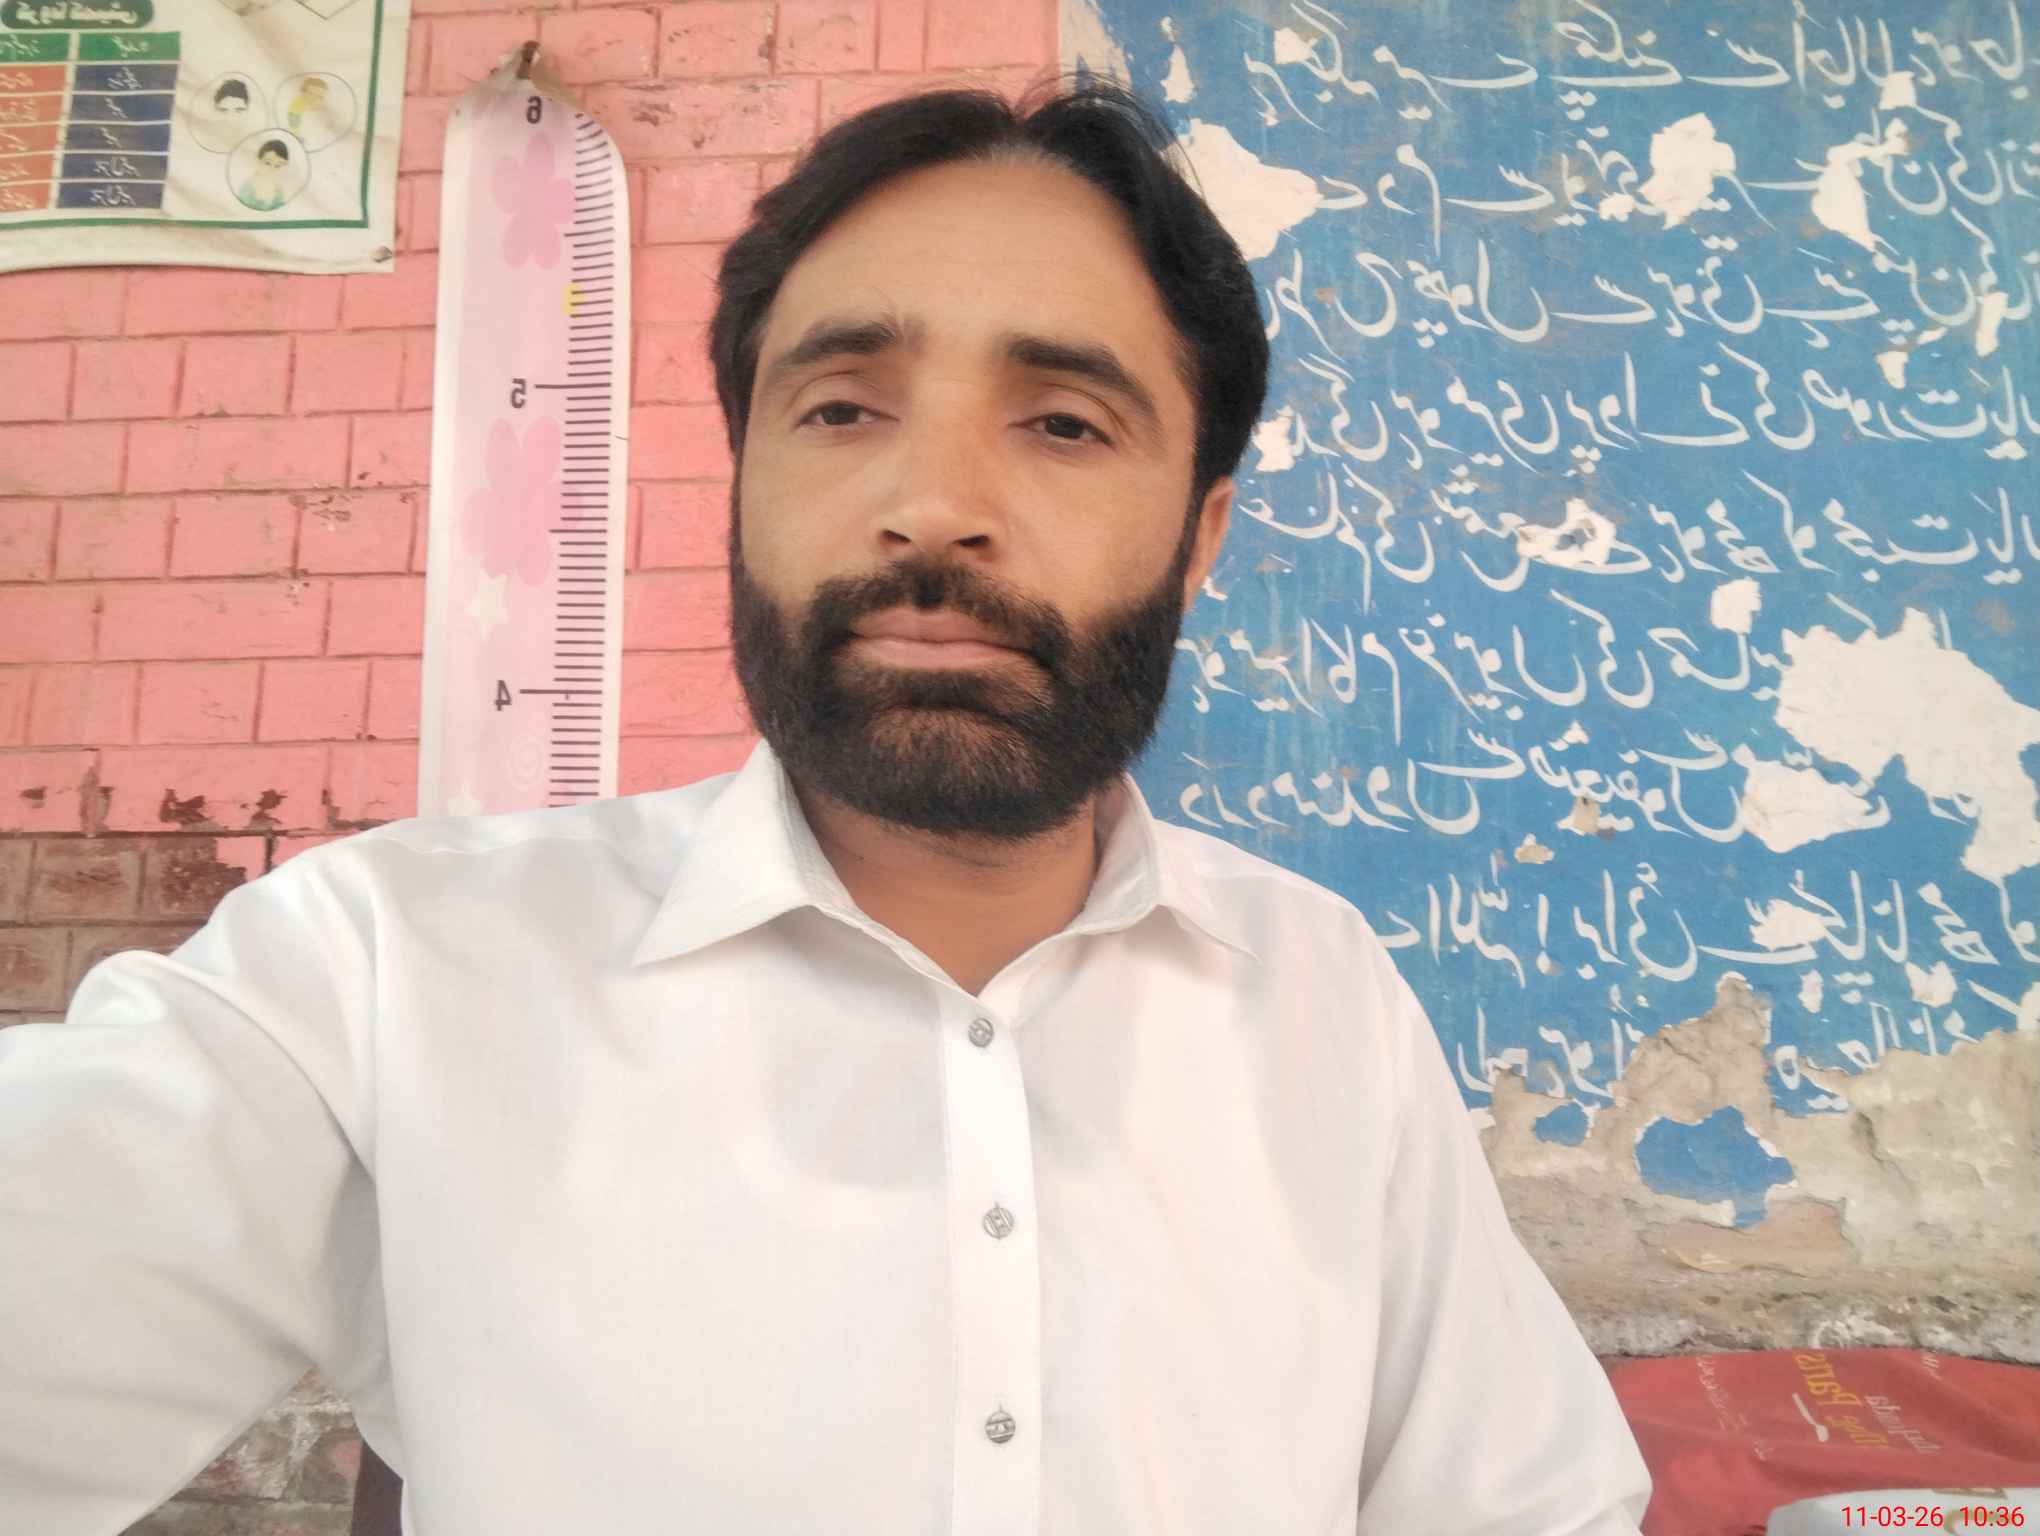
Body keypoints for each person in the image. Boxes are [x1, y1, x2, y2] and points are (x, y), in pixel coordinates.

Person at [0, 74, 1652, 1534]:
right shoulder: (383, 976)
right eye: (843, 408)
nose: (932, 507)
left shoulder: (1322, 997)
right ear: (747, 482)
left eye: (1063, 423)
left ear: (1201, 538)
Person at [235, 137, 290, 211]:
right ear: (258, 161)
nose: (272, 168)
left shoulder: (278, 192)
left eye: (278, 166)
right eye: (267, 163)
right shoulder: (248, 188)